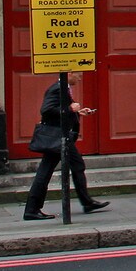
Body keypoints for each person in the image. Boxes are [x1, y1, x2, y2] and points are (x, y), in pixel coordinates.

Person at [23, 72, 112, 220]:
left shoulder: (63, 87)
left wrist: (78, 113)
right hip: (58, 137)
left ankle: (86, 202)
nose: (80, 77)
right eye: (77, 74)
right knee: (48, 171)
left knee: (74, 166)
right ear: (68, 73)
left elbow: (59, 110)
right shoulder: (57, 88)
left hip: (60, 137)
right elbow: (46, 110)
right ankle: (32, 209)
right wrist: (70, 109)